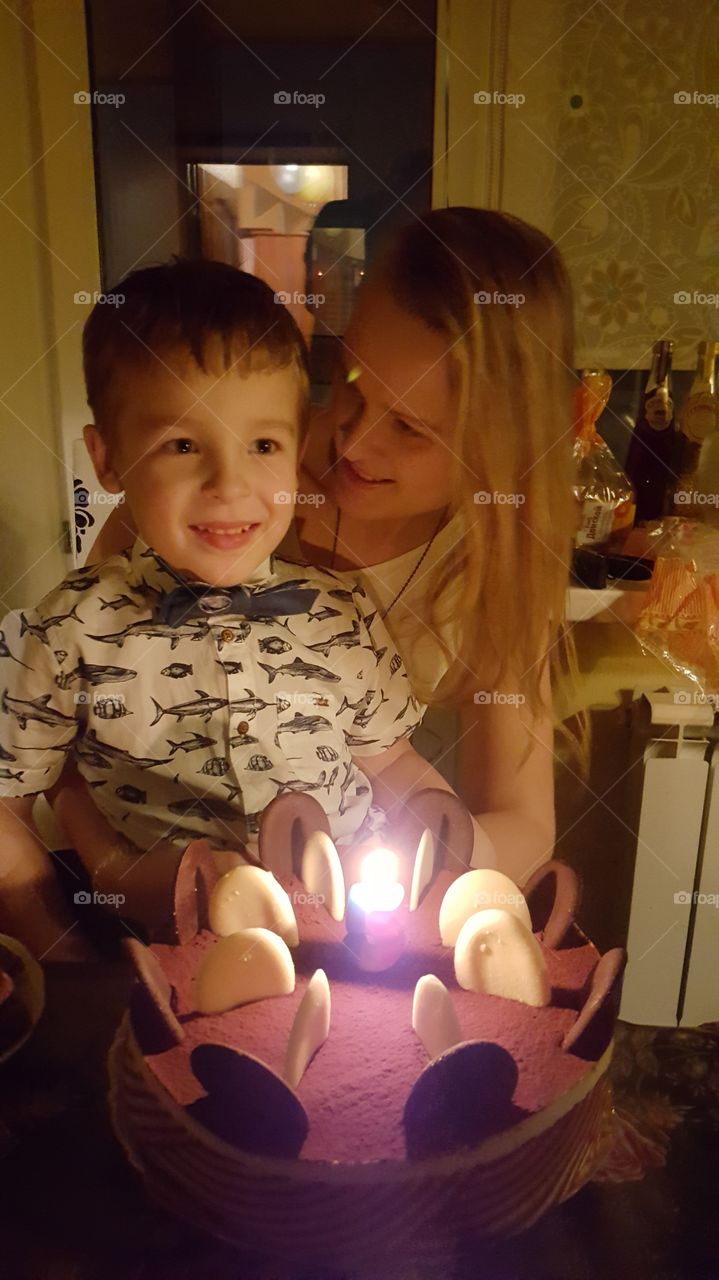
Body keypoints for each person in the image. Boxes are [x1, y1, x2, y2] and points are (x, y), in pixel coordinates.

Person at [47, 206, 585, 940]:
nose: (352, 441)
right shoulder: (223, 487)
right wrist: (111, 872)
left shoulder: (488, 562)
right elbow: (83, 717)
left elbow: (523, 821)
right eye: (350, 382)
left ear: (498, 447)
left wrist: (420, 875)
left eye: (410, 428)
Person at [0, 260, 467, 960]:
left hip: (352, 944)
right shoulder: (65, 632)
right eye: (182, 445)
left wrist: (449, 838)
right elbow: (8, 804)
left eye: (263, 445)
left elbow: (392, 761)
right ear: (107, 458)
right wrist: (57, 947)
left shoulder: (343, 613)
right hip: (157, 945)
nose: (229, 483)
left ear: (298, 446)